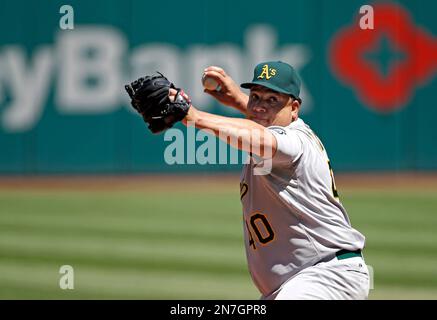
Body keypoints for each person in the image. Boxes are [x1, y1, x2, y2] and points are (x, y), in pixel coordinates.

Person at [177, 61, 370, 300]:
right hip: (300, 283)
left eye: (272, 100)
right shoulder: (277, 129)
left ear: (295, 108)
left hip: (325, 275)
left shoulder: (295, 141)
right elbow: (259, 123)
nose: (259, 106)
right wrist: (238, 98)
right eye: (255, 97)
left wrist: (193, 116)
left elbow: (261, 137)